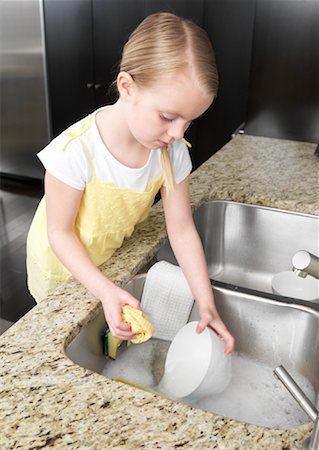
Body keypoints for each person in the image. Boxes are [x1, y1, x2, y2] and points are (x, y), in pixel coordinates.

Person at [26, 12, 235, 354]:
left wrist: (206, 301)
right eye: (168, 117)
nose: (178, 133)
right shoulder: (75, 151)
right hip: (61, 267)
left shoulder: (169, 151)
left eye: (189, 121)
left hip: (108, 258)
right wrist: (105, 290)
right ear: (127, 87)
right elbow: (59, 234)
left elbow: (181, 229)